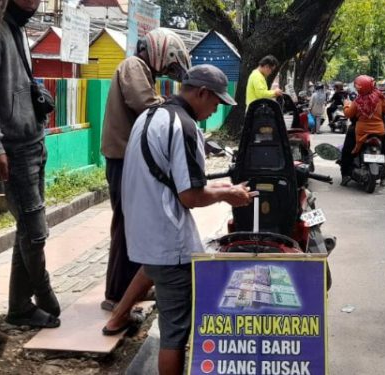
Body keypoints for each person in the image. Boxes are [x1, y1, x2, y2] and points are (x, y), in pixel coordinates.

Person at [121, 64, 257, 375]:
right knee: (175, 334)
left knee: (173, 324)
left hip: (144, 232)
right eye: (215, 103)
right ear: (201, 93)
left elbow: (172, 182)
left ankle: (118, 316)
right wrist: (228, 195)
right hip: (169, 243)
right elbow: (190, 197)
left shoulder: (149, 116)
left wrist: (223, 187)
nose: (214, 110)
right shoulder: (183, 126)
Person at [100, 28, 191, 312]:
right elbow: (146, 105)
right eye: (171, 64)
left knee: (133, 225)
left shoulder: (142, 70)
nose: (168, 71)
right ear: (162, 51)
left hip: (129, 160)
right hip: (122, 160)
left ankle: (128, 290)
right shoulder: (133, 66)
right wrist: (177, 108)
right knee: (126, 226)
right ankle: (116, 294)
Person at [0, 0, 61, 328]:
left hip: (34, 141)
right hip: (12, 149)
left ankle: (19, 308)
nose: (35, 2)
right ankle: (43, 293)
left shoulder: (18, 29)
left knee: (26, 231)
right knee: (35, 232)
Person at [340, 75, 385, 186]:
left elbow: (348, 114)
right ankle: (384, 174)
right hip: (379, 131)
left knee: (347, 151)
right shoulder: (380, 98)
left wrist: (346, 105)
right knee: (384, 149)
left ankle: (345, 175)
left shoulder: (358, 101)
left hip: (360, 132)